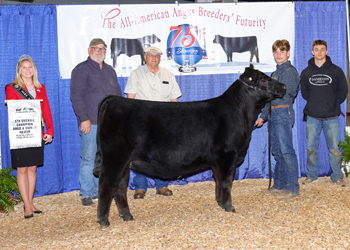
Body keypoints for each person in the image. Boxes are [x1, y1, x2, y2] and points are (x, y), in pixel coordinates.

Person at [124, 46, 182, 199]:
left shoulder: (168, 75)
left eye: (157, 55)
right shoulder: (136, 74)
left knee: (162, 154)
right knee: (140, 155)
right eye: (151, 55)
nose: (154, 58)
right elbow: (130, 100)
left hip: (163, 123)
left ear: (160, 58)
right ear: (145, 57)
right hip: (142, 122)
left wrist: (174, 121)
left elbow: (174, 100)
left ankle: (161, 185)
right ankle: (140, 187)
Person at [70, 38, 122, 207]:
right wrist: (84, 119)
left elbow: (118, 97)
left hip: (110, 123)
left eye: (103, 49)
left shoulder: (109, 70)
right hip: (91, 122)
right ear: (89, 49)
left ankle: (99, 191)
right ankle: (86, 194)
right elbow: (76, 96)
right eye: (96, 48)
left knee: (106, 158)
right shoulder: (81, 69)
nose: (100, 51)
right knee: (89, 157)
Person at [5, 54, 54, 219]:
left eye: (30, 67)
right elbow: (14, 109)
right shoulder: (11, 88)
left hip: (37, 132)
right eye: (24, 67)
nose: (27, 70)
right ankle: (27, 205)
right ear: (19, 70)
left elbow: (46, 110)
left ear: (34, 70)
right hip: (20, 133)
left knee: (32, 168)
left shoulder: (41, 88)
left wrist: (50, 130)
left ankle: (31, 202)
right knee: (22, 169)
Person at [300, 40, 348, 187]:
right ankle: (312, 175)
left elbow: (343, 91)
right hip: (312, 117)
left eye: (322, 49)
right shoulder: (306, 72)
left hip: (332, 117)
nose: (319, 52)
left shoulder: (336, 71)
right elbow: (305, 93)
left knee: (334, 149)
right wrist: (316, 103)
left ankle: (337, 176)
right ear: (312, 52)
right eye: (316, 49)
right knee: (311, 148)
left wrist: (332, 103)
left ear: (327, 52)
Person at [256, 40, 300, 200]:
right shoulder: (275, 74)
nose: (278, 55)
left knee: (287, 151)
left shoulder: (289, 71)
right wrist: (262, 117)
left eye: (282, 52)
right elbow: (270, 98)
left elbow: (287, 93)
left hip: (282, 112)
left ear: (288, 53)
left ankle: (293, 188)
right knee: (278, 151)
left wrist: (268, 92)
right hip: (274, 113)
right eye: (276, 52)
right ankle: (280, 185)